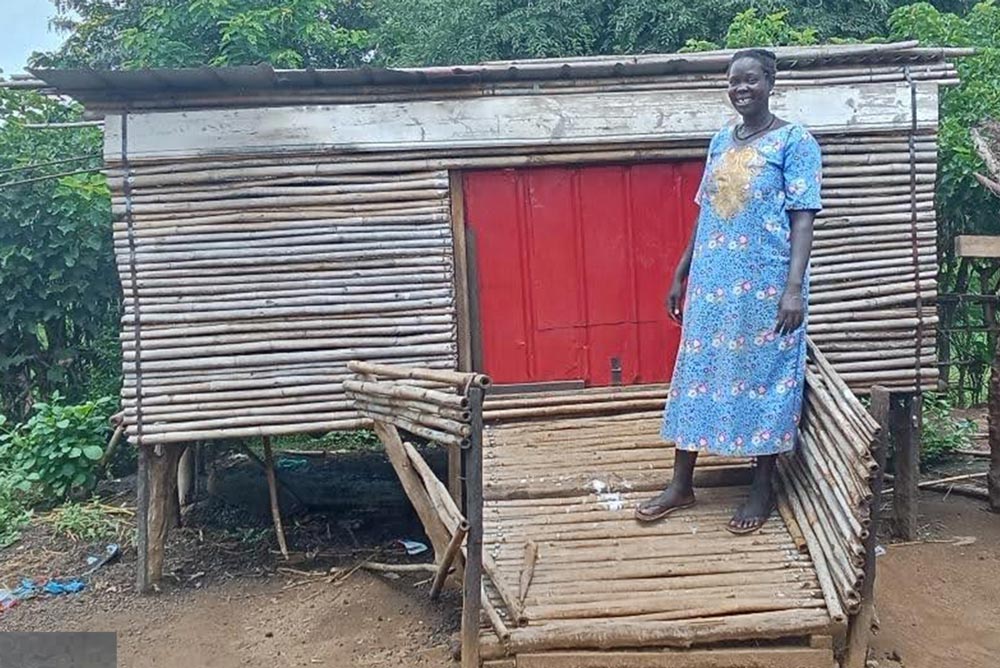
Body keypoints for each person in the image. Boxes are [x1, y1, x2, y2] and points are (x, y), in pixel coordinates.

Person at [635, 48, 822, 534]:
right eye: (734, 81)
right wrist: (681, 271)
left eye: (751, 80)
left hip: (766, 282)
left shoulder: (795, 142)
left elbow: (803, 217)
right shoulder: (721, 140)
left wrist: (793, 288)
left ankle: (761, 487)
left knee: (765, 373)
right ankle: (681, 483)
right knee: (696, 371)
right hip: (713, 284)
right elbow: (707, 210)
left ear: (771, 82)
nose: (742, 89)